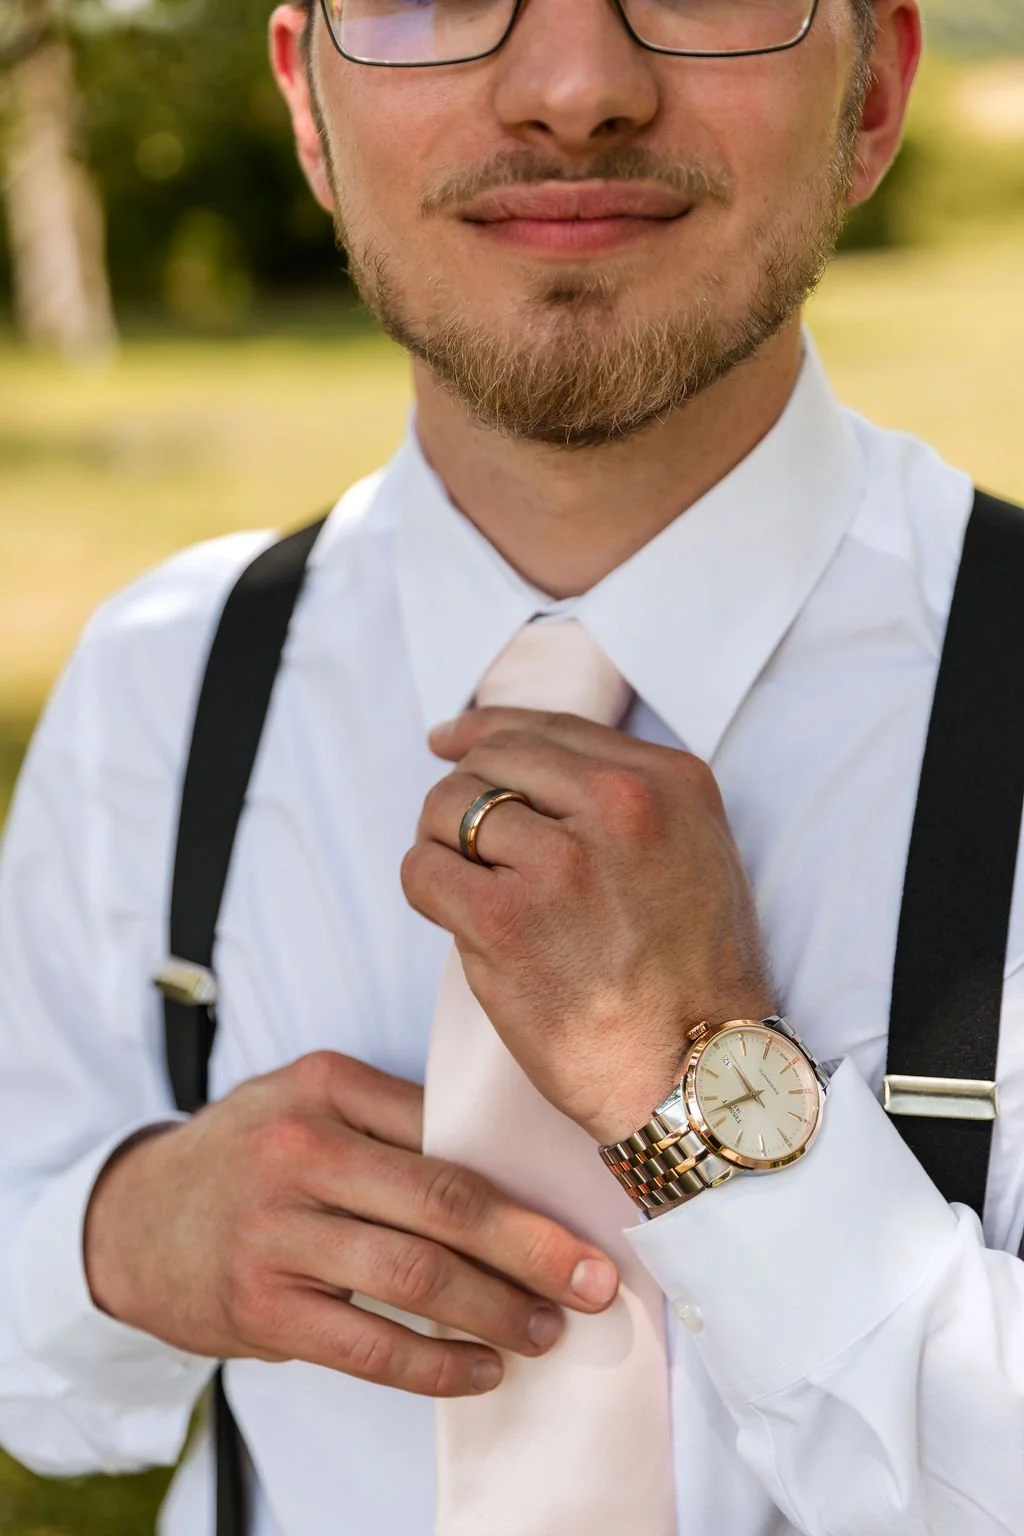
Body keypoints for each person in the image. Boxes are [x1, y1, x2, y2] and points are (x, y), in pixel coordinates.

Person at [0, 0, 1022, 1531]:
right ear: (309, 112)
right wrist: (117, 1239)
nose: (573, 89)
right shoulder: (160, 681)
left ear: (871, 97)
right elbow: (37, 1373)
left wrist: (706, 1112)